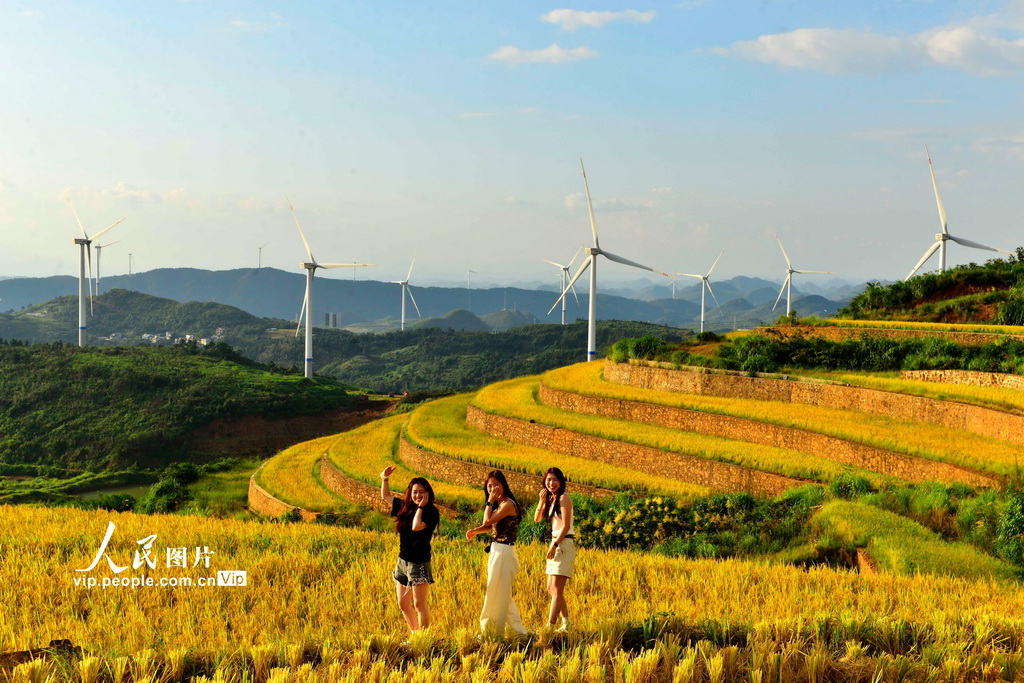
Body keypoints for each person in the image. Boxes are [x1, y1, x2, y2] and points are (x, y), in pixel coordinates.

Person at [465, 470, 528, 638]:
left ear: (503, 485)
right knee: (502, 594)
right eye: (489, 486)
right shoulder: (501, 504)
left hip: (503, 551)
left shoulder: (507, 504)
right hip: (498, 550)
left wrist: (489, 502)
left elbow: (488, 520)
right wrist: (475, 531)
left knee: (494, 592)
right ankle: (519, 632)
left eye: (496, 485)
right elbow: (491, 527)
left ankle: (490, 631)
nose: (493, 488)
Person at [380, 464, 439, 635]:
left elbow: (415, 526)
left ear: (428, 493)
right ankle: (416, 635)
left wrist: (420, 507)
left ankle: (425, 639)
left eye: (421, 492)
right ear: (410, 493)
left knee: (420, 605)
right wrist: (384, 478)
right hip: (402, 561)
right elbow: (386, 496)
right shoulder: (404, 506)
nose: (418, 495)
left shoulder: (431, 512)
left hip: (419, 562)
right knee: (403, 604)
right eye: (415, 492)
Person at [534, 467, 575, 632]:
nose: (551, 483)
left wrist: (555, 545)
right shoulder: (551, 500)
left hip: (563, 544)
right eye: (548, 480)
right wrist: (541, 501)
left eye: (554, 480)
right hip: (556, 543)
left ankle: (549, 627)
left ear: (561, 482)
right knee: (551, 588)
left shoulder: (564, 498)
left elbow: (565, 526)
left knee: (557, 589)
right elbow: (537, 519)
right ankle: (566, 623)